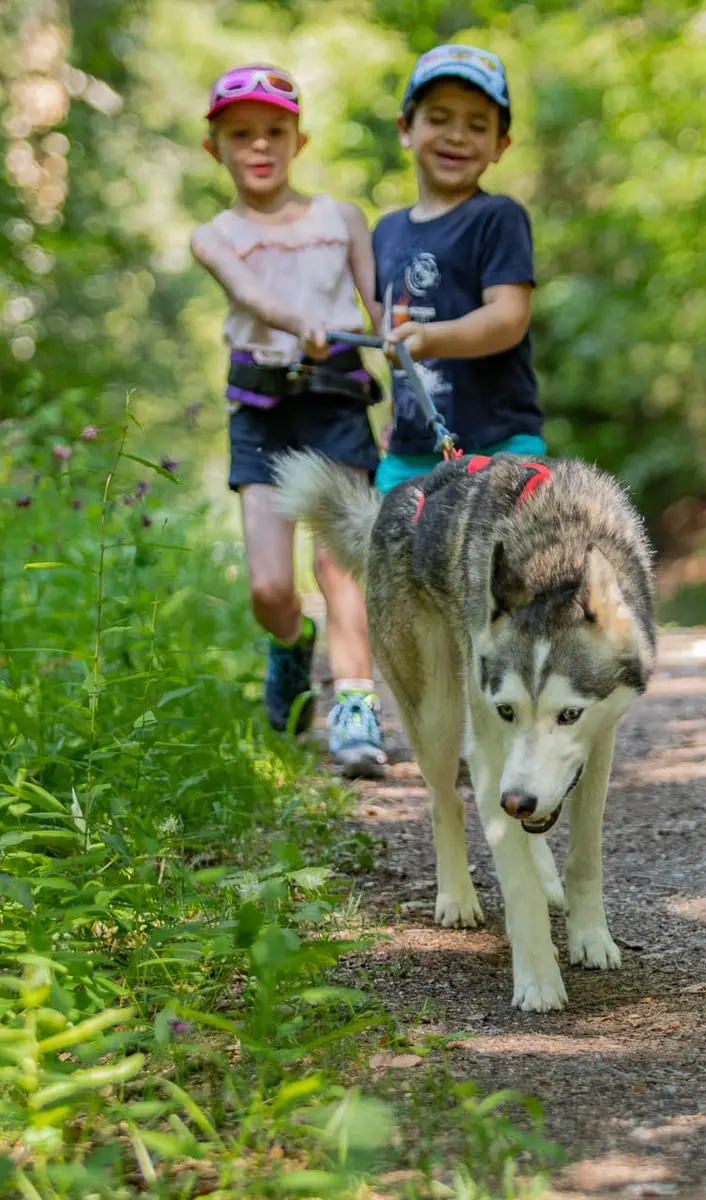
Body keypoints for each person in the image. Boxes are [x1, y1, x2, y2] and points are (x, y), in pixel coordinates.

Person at [190, 64, 387, 777]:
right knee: (270, 586)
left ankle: (356, 711)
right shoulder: (214, 234)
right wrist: (299, 320)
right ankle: (289, 648)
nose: (260, 147)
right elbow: (248, 291)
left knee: (340, 566)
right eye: (241, 135)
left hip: (337, 404)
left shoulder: (342, 219)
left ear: (299, 139)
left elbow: (379, 308)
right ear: (216, 147)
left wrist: (403, 357)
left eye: (275, 131)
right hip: (261, 412)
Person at [372, 44, 543, 491]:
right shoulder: (385, 232)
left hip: (499, 450)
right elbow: (382, 326)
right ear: (406, 128)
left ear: (500, 146)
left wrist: (432, 339)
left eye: (477, 125)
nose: (457, 135)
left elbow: (509, 318)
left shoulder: (498, 217)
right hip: (409, 453)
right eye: (439, 118)